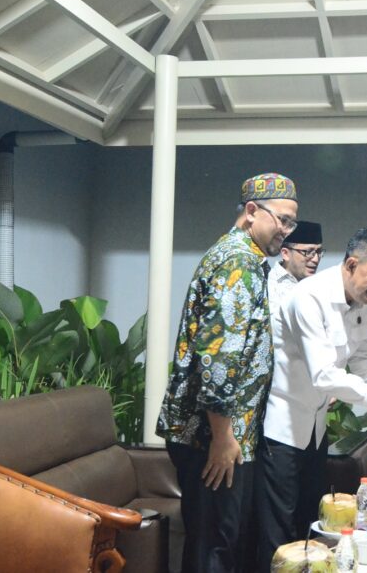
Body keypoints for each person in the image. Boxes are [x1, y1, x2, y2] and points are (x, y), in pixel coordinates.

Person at [155, 173, 298, 573]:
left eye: (292, 224)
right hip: (213, 437)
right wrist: (222, 437)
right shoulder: (238, 263)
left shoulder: (241, 257)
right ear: (252, 211)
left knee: (220, 542)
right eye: (282, 220)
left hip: (228, 434)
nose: (286, 232)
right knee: (215, 546)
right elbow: (217, 358)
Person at [255, 227, 367, 572]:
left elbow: (364, 361)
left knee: (311, 526)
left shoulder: (366, 305)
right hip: (283, 429)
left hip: (316, 429)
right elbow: (324, 375)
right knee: (279, 533)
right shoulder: (309, 297)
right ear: (351, 264)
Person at [268, 220, 324, 315]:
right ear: (285, 254)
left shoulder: (320, 286)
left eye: (319, 252)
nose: (316, 259)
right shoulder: (268, 284)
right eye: (308, 252)